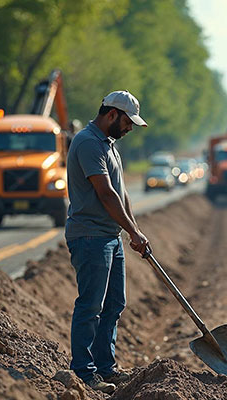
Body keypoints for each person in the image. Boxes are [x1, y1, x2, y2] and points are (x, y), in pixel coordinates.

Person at [65, 90, 150, 393]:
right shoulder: (88, 142)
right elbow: (105, 193)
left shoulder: (109, 145)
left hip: (109, 237)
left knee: (114, 303)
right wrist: (131, 232)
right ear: (112, 114)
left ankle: (105, 368)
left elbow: (122, 193)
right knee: (90, 306)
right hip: (90, 236)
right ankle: (84, 373)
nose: (130, 128)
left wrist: (134, 231)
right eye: (128, 122)